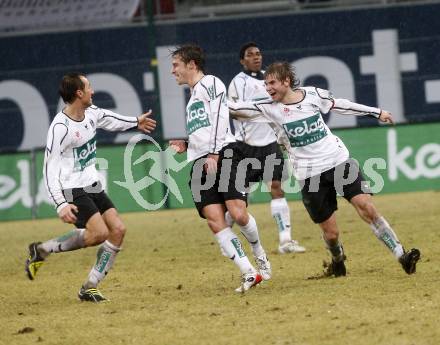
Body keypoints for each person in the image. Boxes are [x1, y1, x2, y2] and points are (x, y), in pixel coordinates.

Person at [229, 61, 420, 276]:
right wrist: (213, 101)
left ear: (286, 81)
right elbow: (235, 110)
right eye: (265, 84)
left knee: (366, 206)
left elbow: (342, 104)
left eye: (272, 83)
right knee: (331, 234)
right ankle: (337, 259)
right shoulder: (266, 108)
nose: (268, 88)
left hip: (338, 160)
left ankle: (401, 254)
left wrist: (377, 112)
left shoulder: (312, 95)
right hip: (309, 175)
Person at [25, 72, 156, 302]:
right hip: (71, 188)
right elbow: (49, 168)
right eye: (89, 87)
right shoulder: (60, 128)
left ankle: (90, 285)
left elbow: (111, 119)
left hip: (91, 184)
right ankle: (43, 250)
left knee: (118, 230)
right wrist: (60, 204)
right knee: (100, 233)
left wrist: (136, 121)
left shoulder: (91, 113)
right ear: (78, 93)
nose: (92, 91)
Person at [168, 44, 271, 292]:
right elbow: (204, 127)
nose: (173, 71)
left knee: (237, 213)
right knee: (214, 220)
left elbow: (219, 118)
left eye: (176, 65)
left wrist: (214, 153)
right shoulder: (193, 96)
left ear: (191, 64)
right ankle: (248, 272)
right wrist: (188, 143)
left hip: (223, 153)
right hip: (199, 160)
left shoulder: (211, 83)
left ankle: (260, 254)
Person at [228, 42, 305, 254]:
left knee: (276, 187)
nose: (256, 57)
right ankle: (225, 236)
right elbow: (233, 111)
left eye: (258, 53)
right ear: (242, 60)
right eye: (250, 55)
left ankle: (285, 241)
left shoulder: (269, 79)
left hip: (270, 143)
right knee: (239, 197)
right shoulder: (238, 82)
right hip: (245, 146)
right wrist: (260, 111)